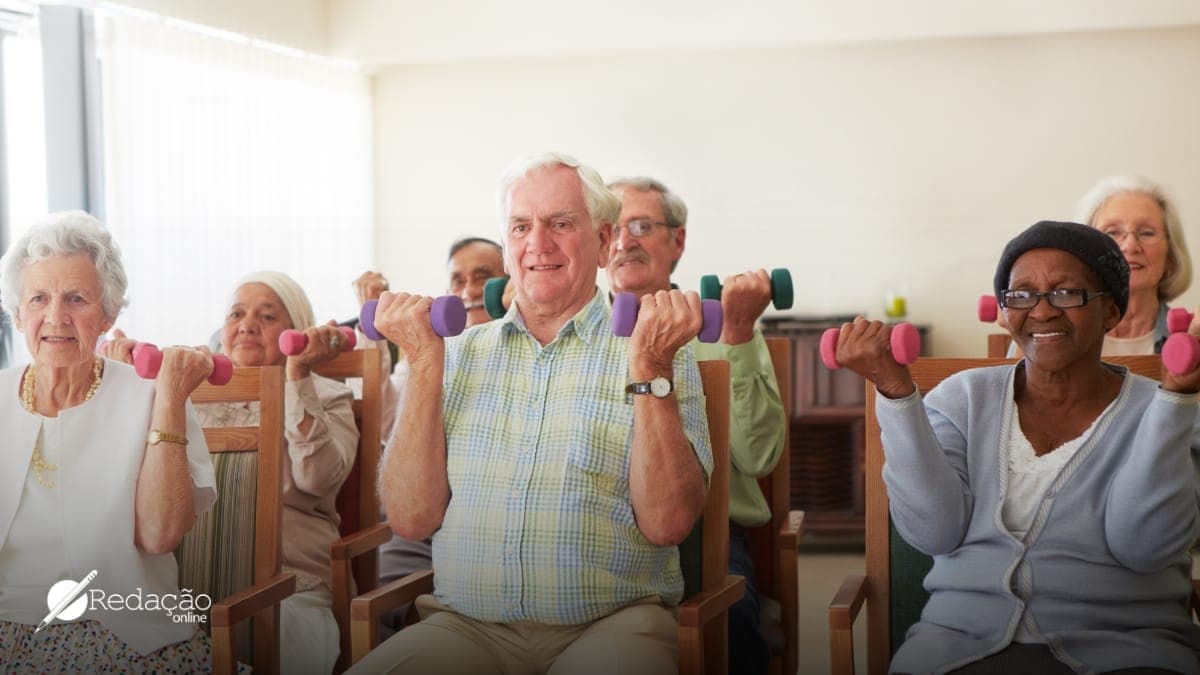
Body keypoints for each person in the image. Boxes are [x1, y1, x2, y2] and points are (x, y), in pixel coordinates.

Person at [349, 152, 713, 674]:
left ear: (605, 240)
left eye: (561, 223)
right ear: (507, 247)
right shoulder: (454, 355)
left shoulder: (658, 351)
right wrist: (425, 365)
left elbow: (668, 523)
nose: (537, 243)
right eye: (521, 226)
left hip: (613, 623)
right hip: (464, 626)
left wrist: (650, 365)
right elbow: (410, 518)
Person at [835, 220, 1200, 674]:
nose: (1042, 312)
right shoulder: (961, 398)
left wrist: (1178, 398)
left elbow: (1144, 547)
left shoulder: (1163, 412)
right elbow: (934, 533)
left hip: (1126, 649)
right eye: (1021, 295)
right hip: (957, 646)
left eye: (1067, 293)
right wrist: (894, 391)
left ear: (1111, 311)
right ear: (1004, 311)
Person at [104, 270, 358, 674]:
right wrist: (114, 384)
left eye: (267, 316)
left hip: (287, 586)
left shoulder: (329, 395)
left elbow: (318, 479)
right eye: (236, 313)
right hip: (183, 582)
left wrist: (297, 377)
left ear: (297, 329)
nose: (247, 325)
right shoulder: (185, 394)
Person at [0, 211, 218, 670]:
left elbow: (160, 535)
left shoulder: (152, 397)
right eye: (38, 298)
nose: (55, 316)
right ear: (18, 314)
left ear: (109, 313)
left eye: (76, 298)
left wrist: (170, 398)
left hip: (121, 629)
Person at [605, 175, 787, 673]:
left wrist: (740, 331)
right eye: (613, 228)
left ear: (677, 239)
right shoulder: (575, 334)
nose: (624, 242)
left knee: (729, 630)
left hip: (706, 537)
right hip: (599, 527)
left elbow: (760, 457)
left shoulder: (723, 325)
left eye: (641, 225)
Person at [350, 236, 506, 630]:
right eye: (458, 281)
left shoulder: (528, 344)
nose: (469, 291)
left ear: (509, 284)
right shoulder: (430, 348)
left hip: (486, 523)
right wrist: (378, 332)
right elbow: (386, 425)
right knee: (388, 608)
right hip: (422, 523)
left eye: (483, 278)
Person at [1077, 174, 1198, 353]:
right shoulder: (1061, 339)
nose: (1130, 246)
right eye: (1112, 232)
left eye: (1147, 233)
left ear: (1171, 256)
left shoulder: (1193, 338)